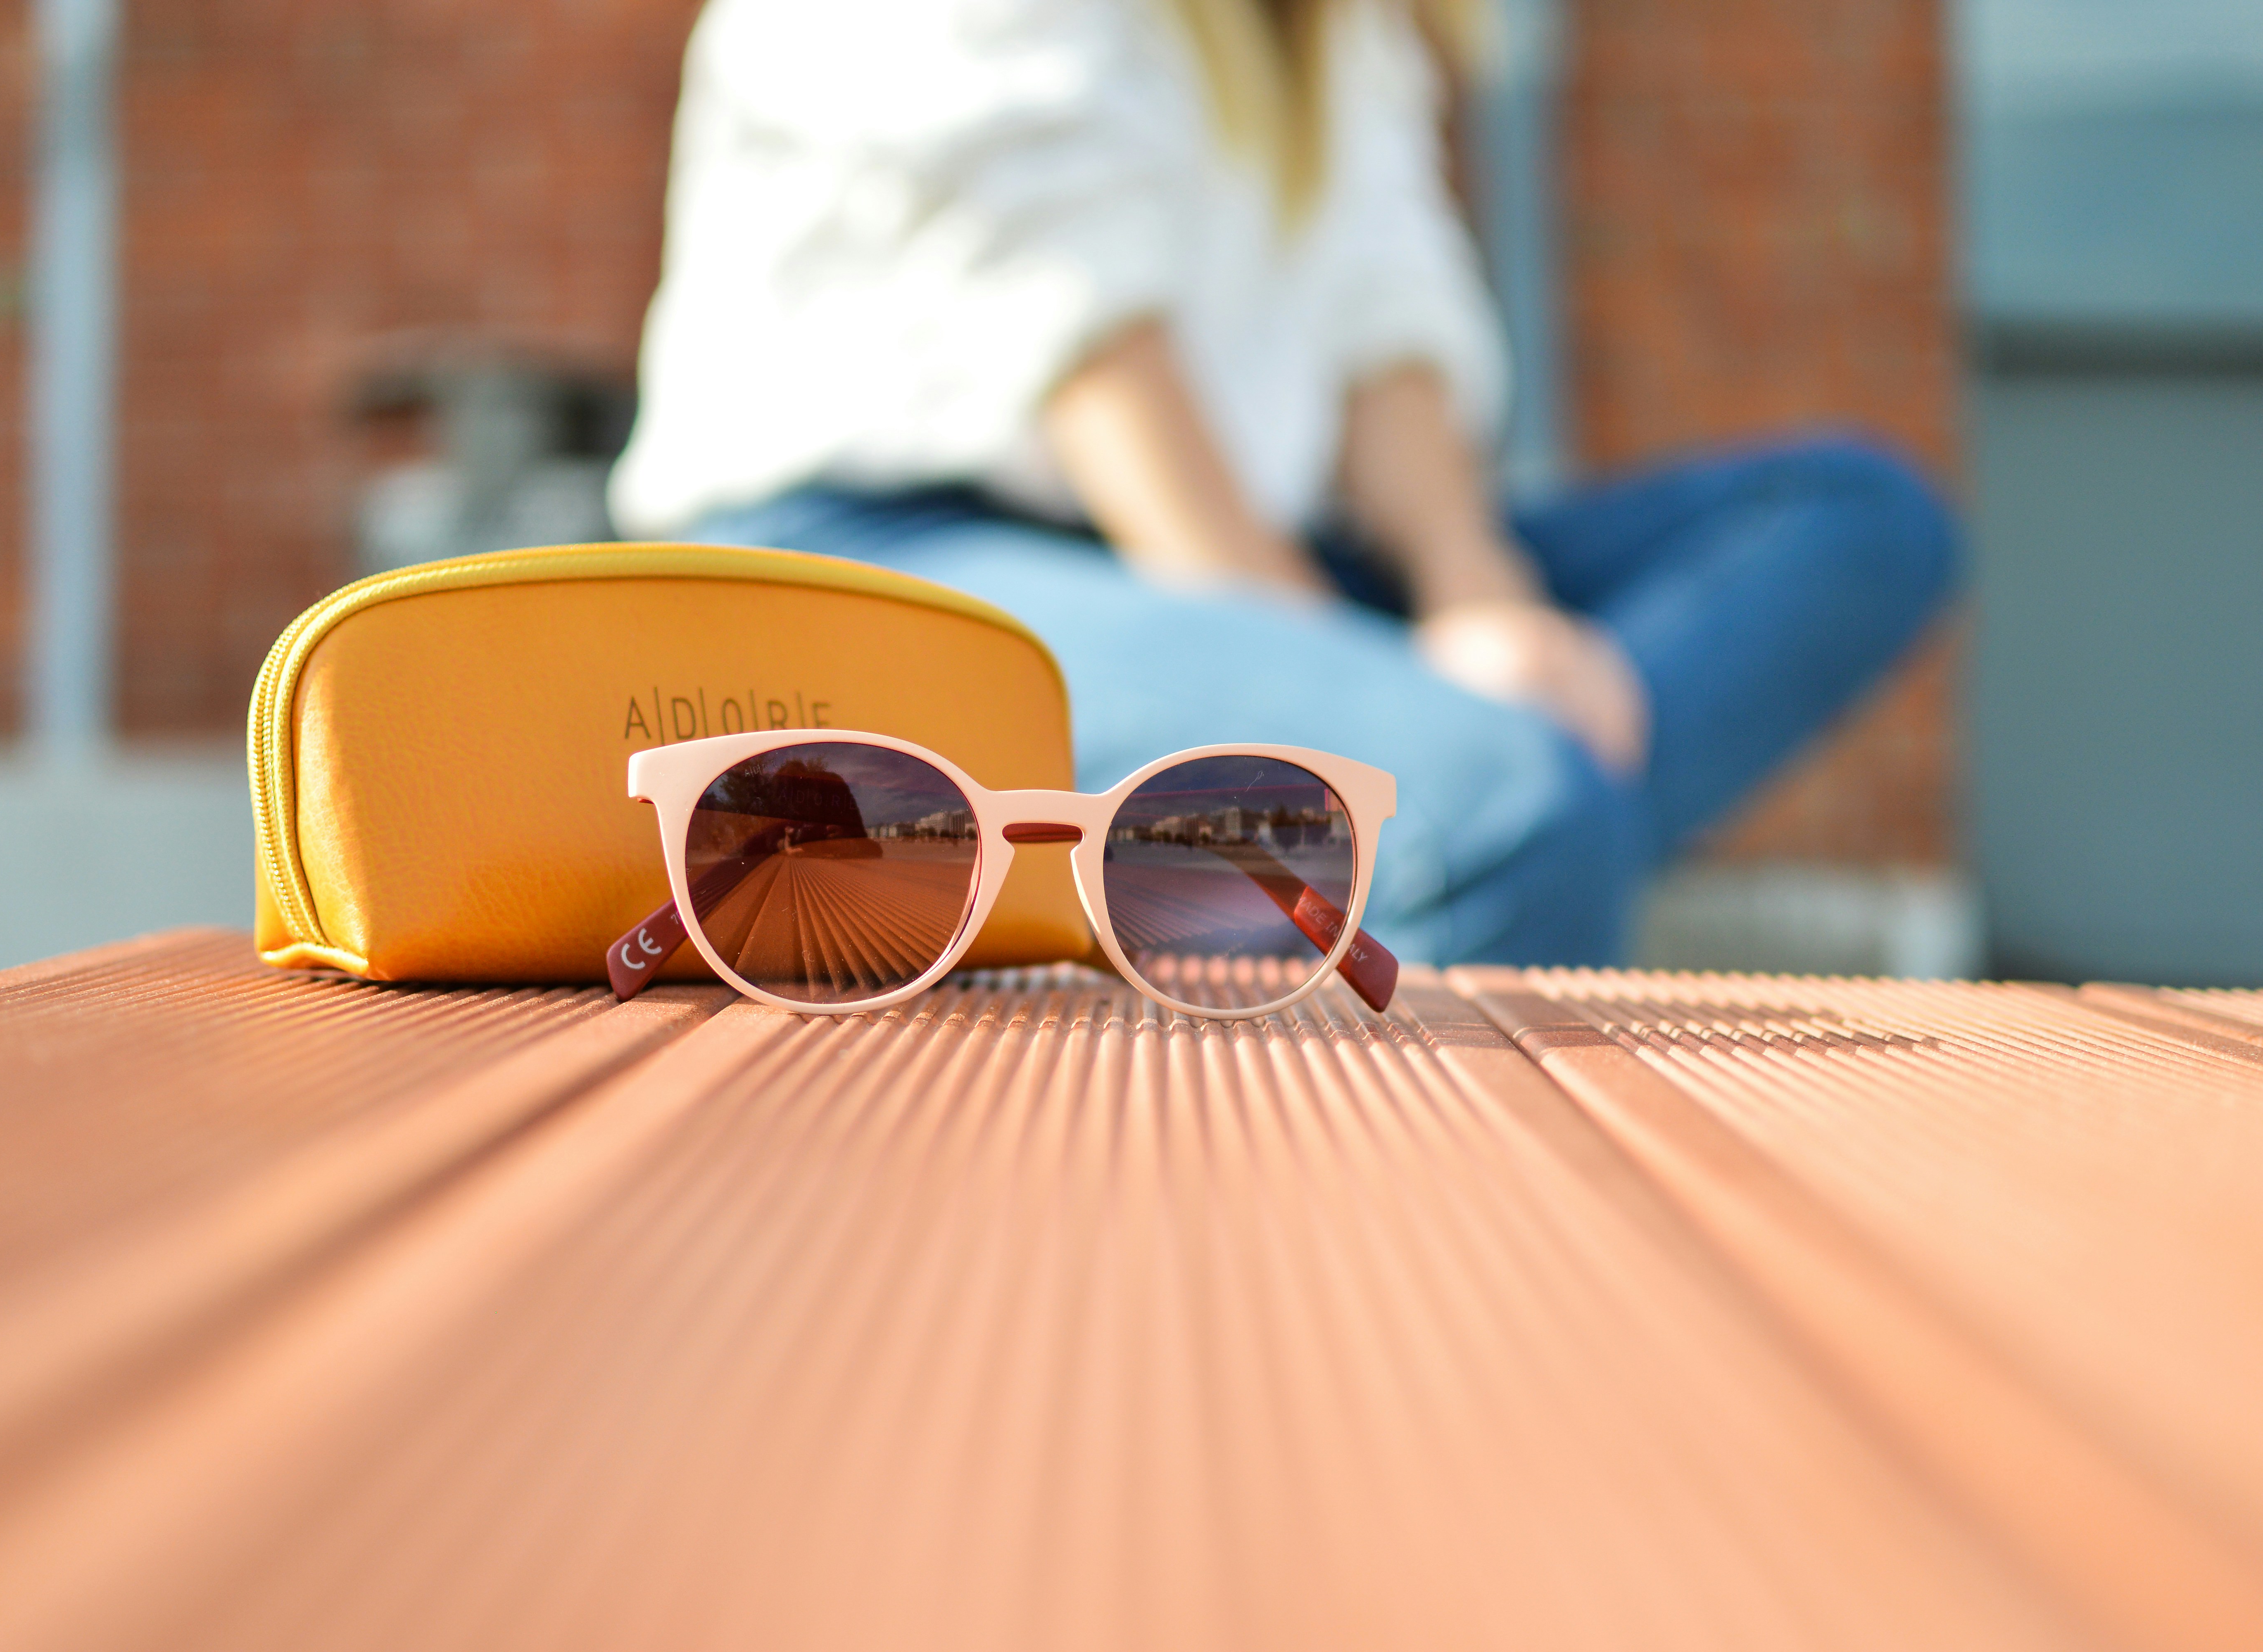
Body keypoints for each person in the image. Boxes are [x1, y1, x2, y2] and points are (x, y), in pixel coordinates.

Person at [608, 0, 1956, 966]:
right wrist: (1380, 700)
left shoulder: (1330, 26)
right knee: (1519, 813)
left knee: (1855, 518)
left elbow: (1389, 319)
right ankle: (1408, 872)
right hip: (895, 557)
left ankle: (1292, 879)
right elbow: (1088, 350)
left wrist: (1477, 603)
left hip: (1265, 549)